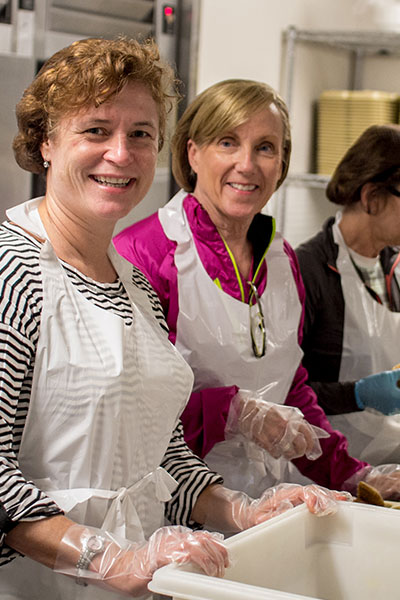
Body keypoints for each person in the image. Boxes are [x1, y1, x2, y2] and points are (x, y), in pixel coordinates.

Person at [0, 39, 348, 600]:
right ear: (45, 142)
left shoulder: (134, 286)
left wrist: (238, 509)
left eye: (140, 133)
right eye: (95, 130)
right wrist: (110, 557)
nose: (120, 153)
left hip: (141, 583)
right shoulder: (13, 272)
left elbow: (158, 449)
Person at [114, 78, 400, 502]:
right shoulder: (143, 253)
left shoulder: (281, 260)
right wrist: (230, 413)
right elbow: (125, 413)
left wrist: (351, 474)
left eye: (266, 148)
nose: (247, 164)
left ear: (281, 165)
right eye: (227, 143)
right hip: (174, 512)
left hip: (268, 501)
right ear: (193, 153)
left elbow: (291, 387)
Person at [295, 124, 400, 465]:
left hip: (388, 458)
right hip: (327, 467)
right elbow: (285, 394)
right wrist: (357, 395)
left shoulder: (392, 264)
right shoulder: (308, 270)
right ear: (371, 198)